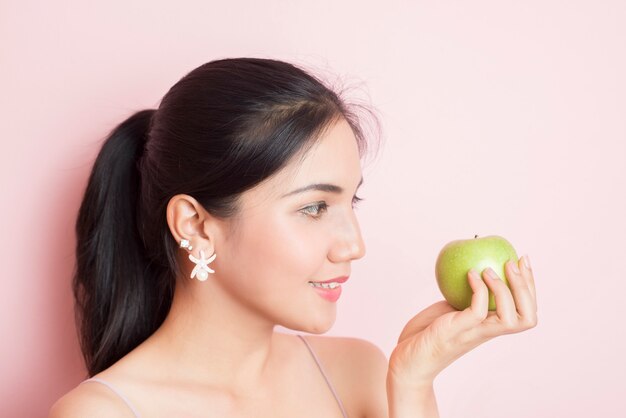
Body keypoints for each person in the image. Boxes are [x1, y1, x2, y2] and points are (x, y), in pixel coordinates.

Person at [49, 57, 538, 418]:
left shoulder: (364, 373)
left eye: (352, 203)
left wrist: (413, 385)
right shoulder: (103, 413)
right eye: (314, 207)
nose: (354, 245)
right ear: (196, 225)